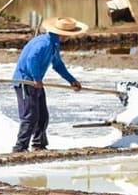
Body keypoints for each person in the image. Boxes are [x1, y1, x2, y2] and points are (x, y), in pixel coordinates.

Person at [9, 15, 88, 153]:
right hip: (25, 81)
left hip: (35, 82)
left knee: (42, 116)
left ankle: (39, 145)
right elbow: (31, 59)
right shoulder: (44, 43)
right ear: (62, 34)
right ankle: (20, 148)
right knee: (30, 116)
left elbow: (57, 65)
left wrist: (72, 80)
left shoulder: (53, 44)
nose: (68, 37)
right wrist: (36, 78)